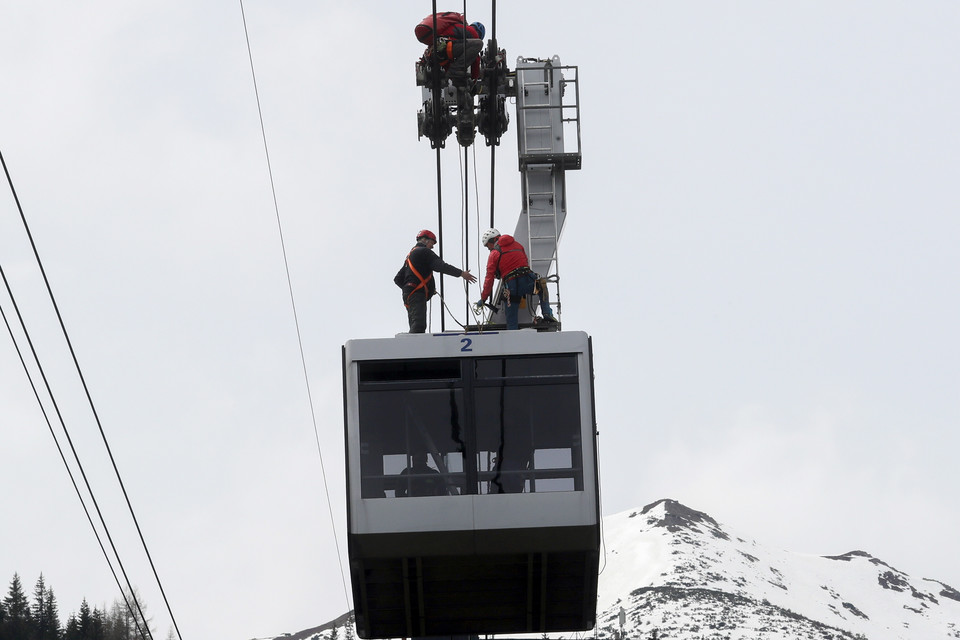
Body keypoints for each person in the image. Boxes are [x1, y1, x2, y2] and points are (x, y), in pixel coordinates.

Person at [395, 229, 476, 333]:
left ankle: (413, 343)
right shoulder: (424, 252)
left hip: (409, 295)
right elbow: (440, 266)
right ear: (425, 240)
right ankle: (414, 347)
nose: (432, 247)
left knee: (414, 322)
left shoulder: (410, 256)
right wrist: (461, 273)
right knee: (419, 325)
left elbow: (398, 279)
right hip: (416, 294)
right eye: (432, 243)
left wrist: (410, 288)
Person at [477, 228, 556, 330]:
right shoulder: (518, 245)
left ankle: (512, 334)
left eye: (488, 245)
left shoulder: (494, 254)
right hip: (527, 280)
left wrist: (484, 298)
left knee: (511, 317)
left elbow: (489, 278)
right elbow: (525, 261)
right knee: (541, 287)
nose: (489, 249)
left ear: (493, 240)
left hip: (511, 287)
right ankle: (547, 314)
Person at [414, 12, 485, 82]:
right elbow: (476, 59)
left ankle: (457, 72)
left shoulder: (454, 32)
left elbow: (449, 68)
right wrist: (474, 79)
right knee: (479, 44)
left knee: (456, 72)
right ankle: (457, 70)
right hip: (446, 49)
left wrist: (455, 79)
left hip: (437, 55)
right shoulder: (471, 31)